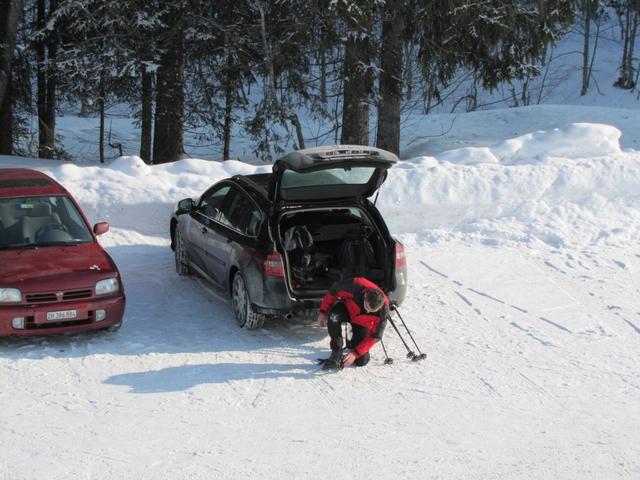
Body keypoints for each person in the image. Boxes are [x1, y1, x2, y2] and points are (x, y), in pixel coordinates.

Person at [317, 277, 390, 370]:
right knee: (334, 316)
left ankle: (351, 341)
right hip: (346, 310)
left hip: (362, 324)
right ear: (365, 296)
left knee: (361, 361)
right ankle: (336, 350)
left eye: (372, 310)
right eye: (367, 307)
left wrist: (356, 353)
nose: (368, 311)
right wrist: (323, 312)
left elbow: (376, 336)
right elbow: (333, 291)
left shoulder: (384, 310)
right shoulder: (355, 286)